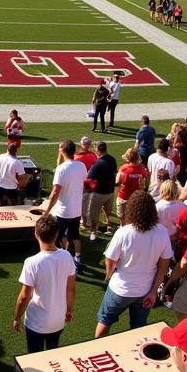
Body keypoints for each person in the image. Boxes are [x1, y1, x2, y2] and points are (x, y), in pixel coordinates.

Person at [95, 191, 172, 337]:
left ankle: (97, 351)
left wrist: (108, 275)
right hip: (145, 290)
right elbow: (164, 264)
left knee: (104, 321)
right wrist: (154, 291)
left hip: (120, 289)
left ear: (131, 209)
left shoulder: (124, 233)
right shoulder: (162, 232)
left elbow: (110, 260)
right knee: (138, 328)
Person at [13, 213, 76, 352]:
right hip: (58, 321)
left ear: (36, 234)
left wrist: (17, 317)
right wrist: (69, 309)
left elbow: (24, 296)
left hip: (36, 322)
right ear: (57, 234)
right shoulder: (67, 256)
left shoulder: (31, 262)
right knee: (52, 355)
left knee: (34, 356)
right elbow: (71, 289)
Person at [44, 139, 87, 267]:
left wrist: (47, 211)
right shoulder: (81, 165)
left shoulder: (61, 169)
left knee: (58, 237)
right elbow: (83, 184)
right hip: (76, 209)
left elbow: (55, 192)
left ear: (63, 152)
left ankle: (63, 259)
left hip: (63, 211)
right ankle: (78, 258)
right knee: (75, 236)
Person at [85, 140, 118, 239]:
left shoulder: (97, 163)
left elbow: (88, 179)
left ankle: (93, 232)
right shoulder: (112, 159)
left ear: (98, 150)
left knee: (93, 213)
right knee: (108, 212)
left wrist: (88, 191)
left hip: (99, 193)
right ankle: (109, 227)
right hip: (110, 192)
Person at [0, 141, 29, 205]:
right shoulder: (17, 162)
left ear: (7, 149)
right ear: (16, 151)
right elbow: (21, 177)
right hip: (10, 187)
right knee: (14, 203)